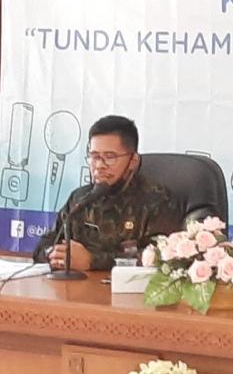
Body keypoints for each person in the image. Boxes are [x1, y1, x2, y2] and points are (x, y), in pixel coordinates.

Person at [33, 115, 183, 271]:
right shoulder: (80, 199)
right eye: (94, 156)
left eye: (110, 157)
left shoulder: (158, 201)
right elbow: (44, 245)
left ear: (133, 161)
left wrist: (92, 261)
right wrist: (53, 254)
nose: (99, 165)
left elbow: (161, 258)